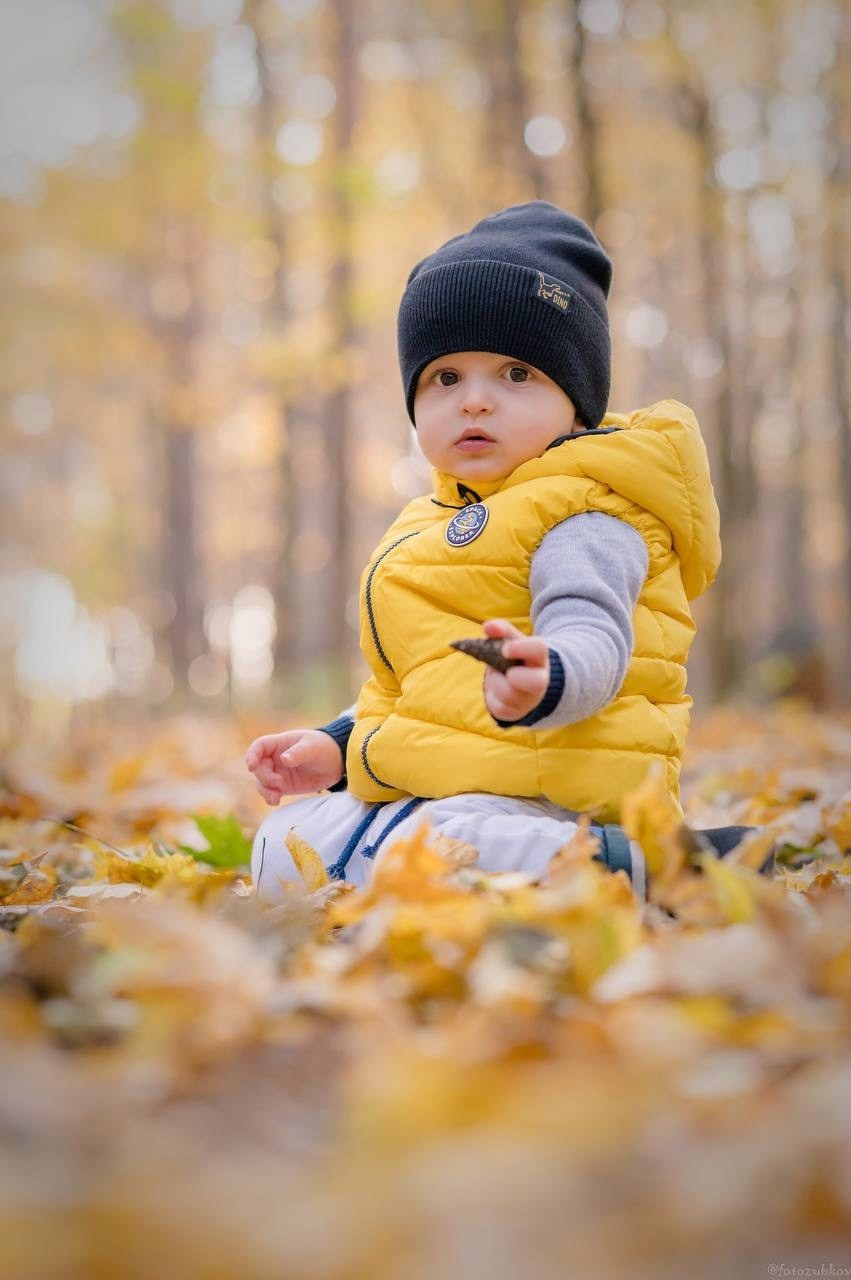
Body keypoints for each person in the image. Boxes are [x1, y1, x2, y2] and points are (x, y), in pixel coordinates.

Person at [246, 201, 750, 902]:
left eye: (515, 374)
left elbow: (595, 631)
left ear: (575, 405)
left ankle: (640, 864)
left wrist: (550, 675)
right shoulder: (426, 525)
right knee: (282, 842)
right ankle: (538, 871)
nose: (474, 402)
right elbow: (415, 690)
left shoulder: (585, 510)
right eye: (444, 378)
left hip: (554, 792)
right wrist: (334, 749)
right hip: (454, 787)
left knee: (434, 845)